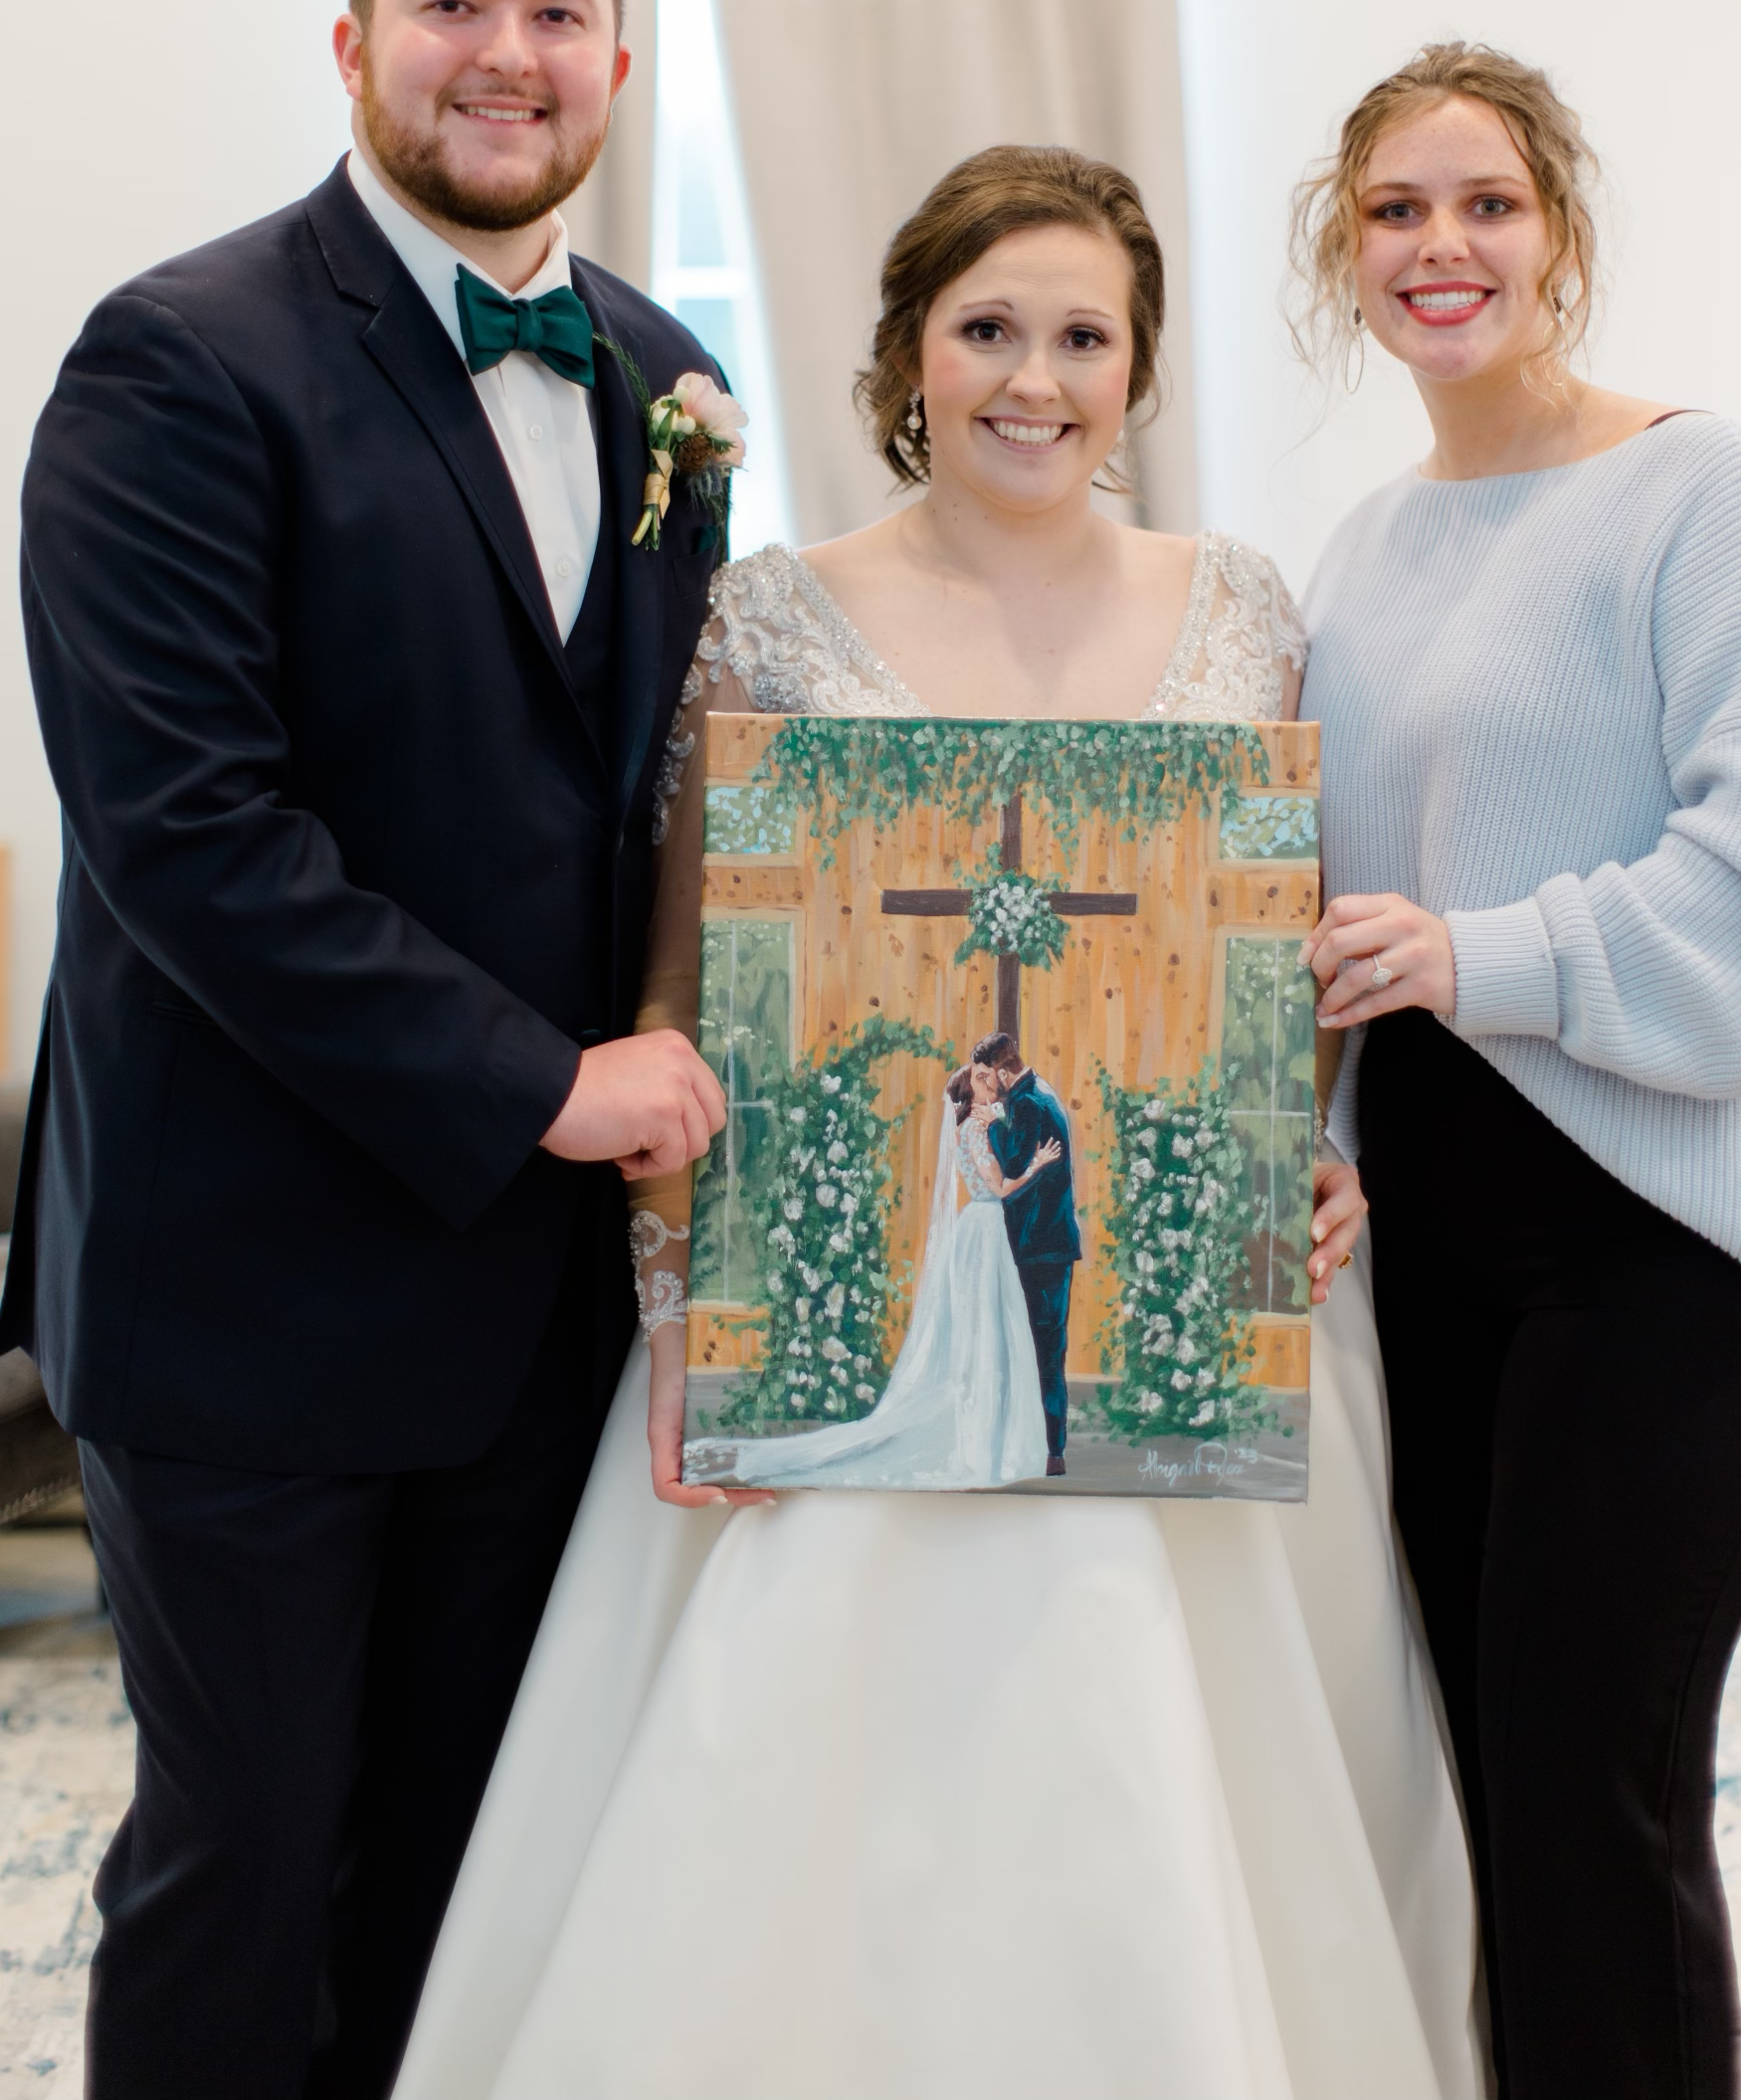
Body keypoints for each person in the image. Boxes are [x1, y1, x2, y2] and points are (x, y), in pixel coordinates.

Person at [396, 143, 1487, 2100]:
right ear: (908, 350)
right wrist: (685, 1306)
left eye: (1083, 337)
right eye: (987, 329)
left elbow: (1261, 953)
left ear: (1136, 369)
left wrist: (1313, 1149)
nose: (1032, 379)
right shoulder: (773, 614)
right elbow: (683, 995)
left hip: (1179, 1318)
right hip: (843, 1327)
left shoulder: (1241, 609)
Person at [2, 0, 729, 2100]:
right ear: (351, 41)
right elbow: (188, 839)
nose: (504, 54)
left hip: (531, 1305)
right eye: (451, 3)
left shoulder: (664, 376)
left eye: (556, 12)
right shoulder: (176, 359)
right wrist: (547, 1082)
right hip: (249, 1290)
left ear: (619, 64)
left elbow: (679, 809)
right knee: (246, 1858)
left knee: (460, 1863)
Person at [1293, 43, 1741, 2100]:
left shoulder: (1697, 493)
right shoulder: (1356, 551)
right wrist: (1316, 1141)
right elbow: (1330, 915)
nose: (1441, 245)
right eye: (1394, 210)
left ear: (1559, 237)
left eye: (1485, 202)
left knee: (1590, 1795)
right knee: (1483, 1798)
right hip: (1433, 1249)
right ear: (1344, 256)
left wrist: (1478, 951)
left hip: (1666, 1250)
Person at [692, 1055, 1055, 1489]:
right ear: (968, 1095)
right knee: (988, 1328)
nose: (990, 1081)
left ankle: (994, 1437)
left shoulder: (971, 1127)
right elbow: (999, 1188)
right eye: (980, 1078)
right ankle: (989, 1443)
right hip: (986, 1229)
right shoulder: (975, 1130)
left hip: (978, 1229)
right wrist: (1037, 1164)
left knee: (989, 1327)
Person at [978, 1030, 1080, 1470]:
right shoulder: (1044, 1093)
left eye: (988, 1076)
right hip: (1054, 1244)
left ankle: (1048, 1449)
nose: (988, 1085)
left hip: (1037, 1247)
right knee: (1049, 1348)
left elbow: (1015, 1169)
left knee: (1039, 1349)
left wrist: (992, 1126)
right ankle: (1050, 1447)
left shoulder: (1025, 1104)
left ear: (1002, 1073)